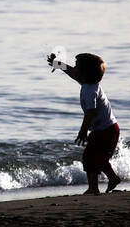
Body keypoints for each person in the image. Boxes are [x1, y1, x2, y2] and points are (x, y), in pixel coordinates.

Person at [48, 52, 122, 195]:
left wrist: (83, 131)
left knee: (89, 157)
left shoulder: (89, 90)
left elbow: (90, 113)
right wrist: (58, 64)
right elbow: (72, 73)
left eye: (77, 66)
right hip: (107, 128)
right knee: (99, 156)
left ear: (84, 73)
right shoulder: (89, 83)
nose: (74, 68)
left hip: (105, 130)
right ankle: (113, 178)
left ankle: (93, 188)